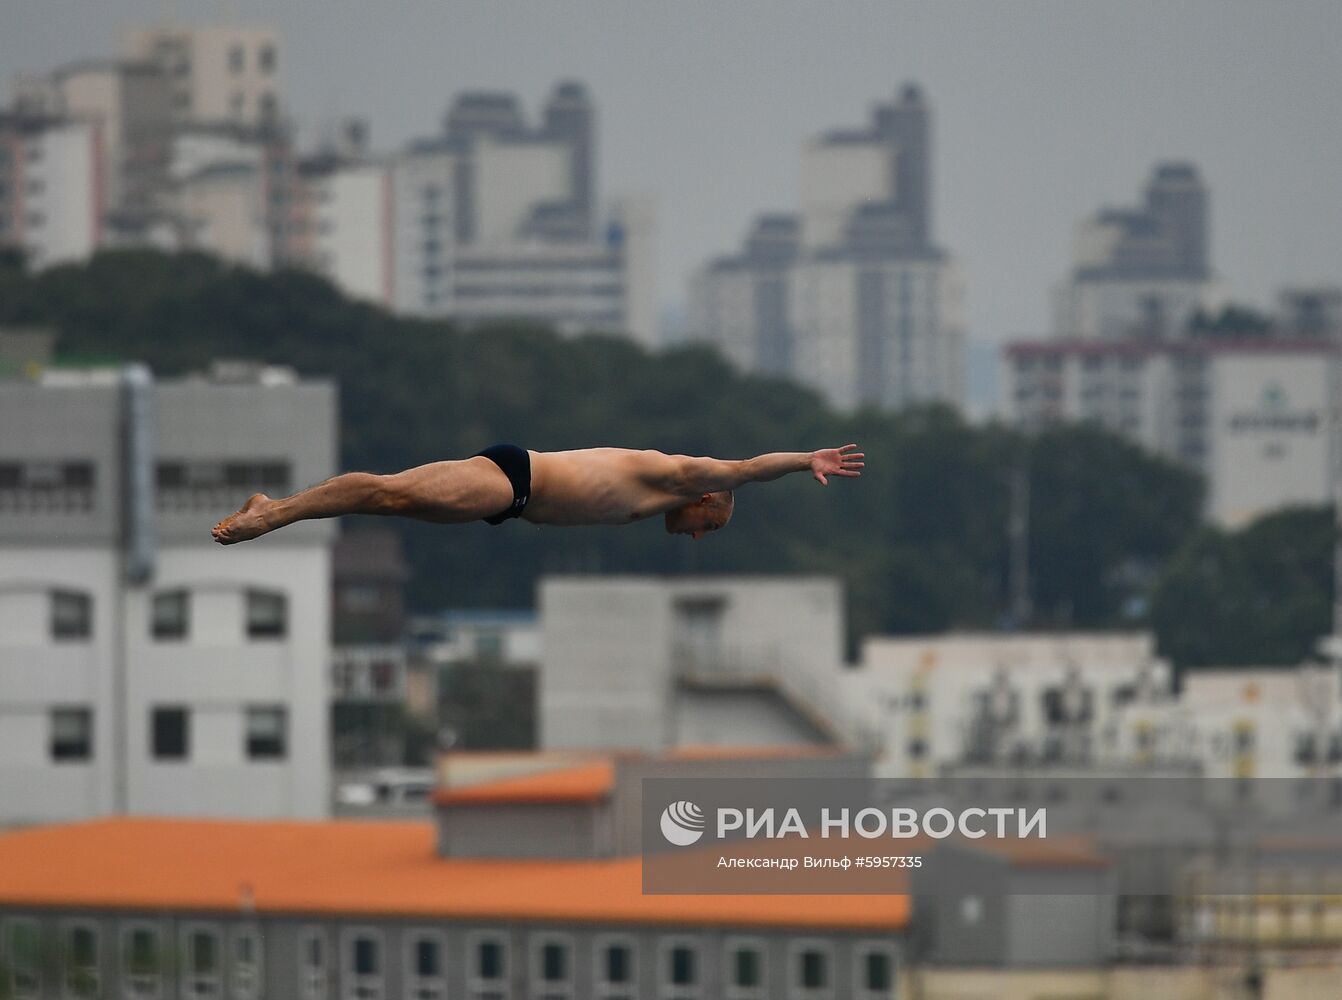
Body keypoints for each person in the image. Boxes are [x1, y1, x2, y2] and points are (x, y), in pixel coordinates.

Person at [211, 443, 863, 544]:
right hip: (511, 478)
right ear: (707, 501)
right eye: (705, 527)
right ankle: (274, 513)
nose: (695, 535)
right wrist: (807, 459)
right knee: (385, 495)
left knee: (395, 501)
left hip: (506, 501)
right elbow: (748, 468)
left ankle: (279, 510)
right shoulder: (675, 477)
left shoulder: (656, 504)